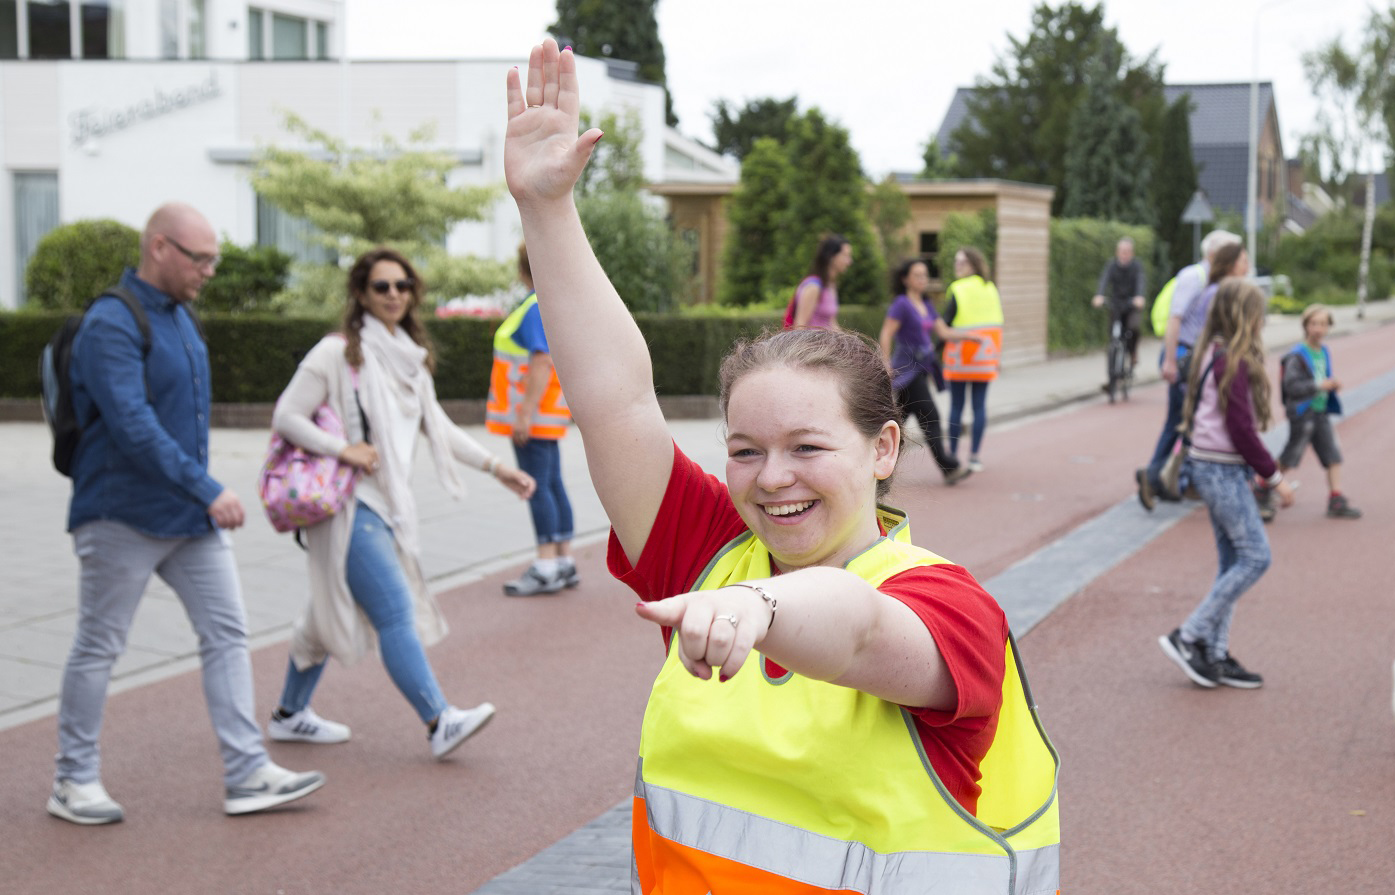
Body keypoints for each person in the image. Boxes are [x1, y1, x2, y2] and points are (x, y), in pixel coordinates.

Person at [504, 40, 1058, 892]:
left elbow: (863, 627)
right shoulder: (707, 551)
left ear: (882, 448)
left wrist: (759, 605)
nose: (771, 478)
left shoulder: (947, 603)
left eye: (807, 447)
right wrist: (547, 211)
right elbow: (615, 401)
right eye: (744, 450)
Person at [50, 203, 325, 825]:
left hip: (189, 522)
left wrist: (198, 496)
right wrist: (207, 487)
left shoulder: (181, 318)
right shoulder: (111, 322)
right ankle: (73, 780)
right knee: (100, 645)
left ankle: (246, 772)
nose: (209, 271)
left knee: (227, 634)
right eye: (199, 259)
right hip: (120, 514)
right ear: (158, 248)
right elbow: (131, 424)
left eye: (214, 259)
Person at [265, 247, 535, 759]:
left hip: (387, 504)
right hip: (349, 504)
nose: (394, 295)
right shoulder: (336, 354)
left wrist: (496, 468)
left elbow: (438, 426)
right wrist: (341, 447)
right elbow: (287, 416)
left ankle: (288, 713)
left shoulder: (409, 359)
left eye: (403, 285)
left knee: (322, 615)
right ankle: (439, 721)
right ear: (361, 294)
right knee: (394, 609)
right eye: (382, 286)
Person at [1159, 278, 1294, 690]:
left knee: (1233, 562)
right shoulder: (1232, 361)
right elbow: (1241, 429)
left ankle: (1214, 654)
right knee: (1256, 557)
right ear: (1245, 317)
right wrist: (1274, 478)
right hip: (1220, 468)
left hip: (1213, 465)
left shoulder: (1212, 352)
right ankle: (1191, 634)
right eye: (1259, 313)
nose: (1264, 320)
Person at [487, 242, 580, 594]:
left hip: (532, 417)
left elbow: (541, 361)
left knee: (536, 484)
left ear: (521, 269)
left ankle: (546, 566)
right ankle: (564, 560)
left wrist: (523, 414)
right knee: (552, 482)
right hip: (547, 414)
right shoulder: (548, 306)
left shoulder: (532, 308)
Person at [1136, 241, 1248, 509]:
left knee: (1179, 420)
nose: (1247, 265)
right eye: (1243, 259)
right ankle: (1169, 478)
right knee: (1192, 421)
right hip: (1187, 357)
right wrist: (1171, 361)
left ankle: (1159, 477)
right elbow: (1176, 319)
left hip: (1187, 357)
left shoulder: (1209, 283)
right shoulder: (1198, 279)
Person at [877, 257, 982, 485]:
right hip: (907, 370)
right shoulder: (902, 304)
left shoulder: (926, 304)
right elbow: (886, 333)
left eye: (925, 275)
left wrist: (969, 336)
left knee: (895, 423)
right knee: (931, 417)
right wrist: (886, 365)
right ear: (906, 279)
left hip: (922, 369)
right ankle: (949, 467)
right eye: (917, 275)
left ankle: (874, 467)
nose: (922, 279)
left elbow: (943, 332)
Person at [1257, 303, 1362, 520]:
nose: (1318, 329)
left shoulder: (1323, 351)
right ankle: (1263, 486)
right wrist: (1319, 385)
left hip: (1320, 410)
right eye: (1314, 324)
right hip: (1302, 412)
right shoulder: (1297, 356)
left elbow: (1323, 377)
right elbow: (1292, 387)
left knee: (1332, 454)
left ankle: (1335, 498)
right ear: (1305, 326)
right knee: (1291, 455)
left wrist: (1331, 385)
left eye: (1323, 324)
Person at [942, 246, 1003, 472]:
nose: (957, 266)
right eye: (956, 262)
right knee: (979, 406)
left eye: (961, 263)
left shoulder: (957, 288)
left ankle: (953, 456)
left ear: (973, 265)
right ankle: (975, 457)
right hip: (985, 354)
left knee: (957, 406)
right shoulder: (991, 288)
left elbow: (945, 322)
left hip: (960, 354)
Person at [1091, 236, 1147, 373]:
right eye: (1122, 251)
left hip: (1131, 305)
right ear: (1117, 252)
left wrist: (1139, 297)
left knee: (1134, 328)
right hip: (1116, 304)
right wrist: (1099, 295)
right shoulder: (1111, 265)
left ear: (1132, 253)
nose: (1124, 254)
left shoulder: (1136, 266)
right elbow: (1104, 280)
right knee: (1112, 336)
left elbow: (1140, 281)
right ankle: (1112, 375)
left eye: (1127, 251)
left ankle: (1133, 353)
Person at [784, 233, 851, 330]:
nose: (849, 261)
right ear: (832, 257)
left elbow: (831, 322)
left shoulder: (830, 285)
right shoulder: (813, 286)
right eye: (845, 256)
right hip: (813, 344)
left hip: (827, 344)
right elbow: (799, 326)